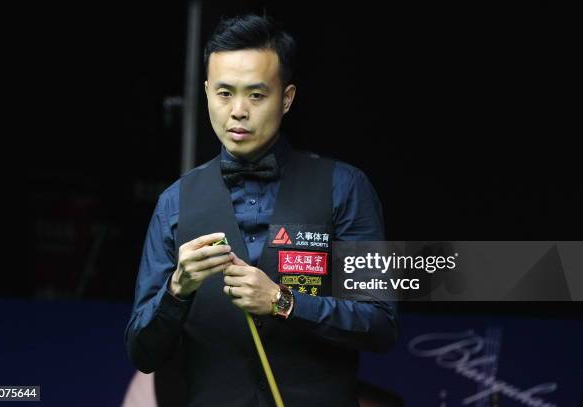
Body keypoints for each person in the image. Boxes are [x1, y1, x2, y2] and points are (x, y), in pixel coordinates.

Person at [125, 14, 398, 407]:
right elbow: (141, 352)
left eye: (256, 95)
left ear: (286, 98)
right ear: (205, 93)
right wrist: (176, 291)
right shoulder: (175, 202)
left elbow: (380, 325)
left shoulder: (345, 187)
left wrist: (283, 301)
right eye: (224, 93)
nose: (238, 110)